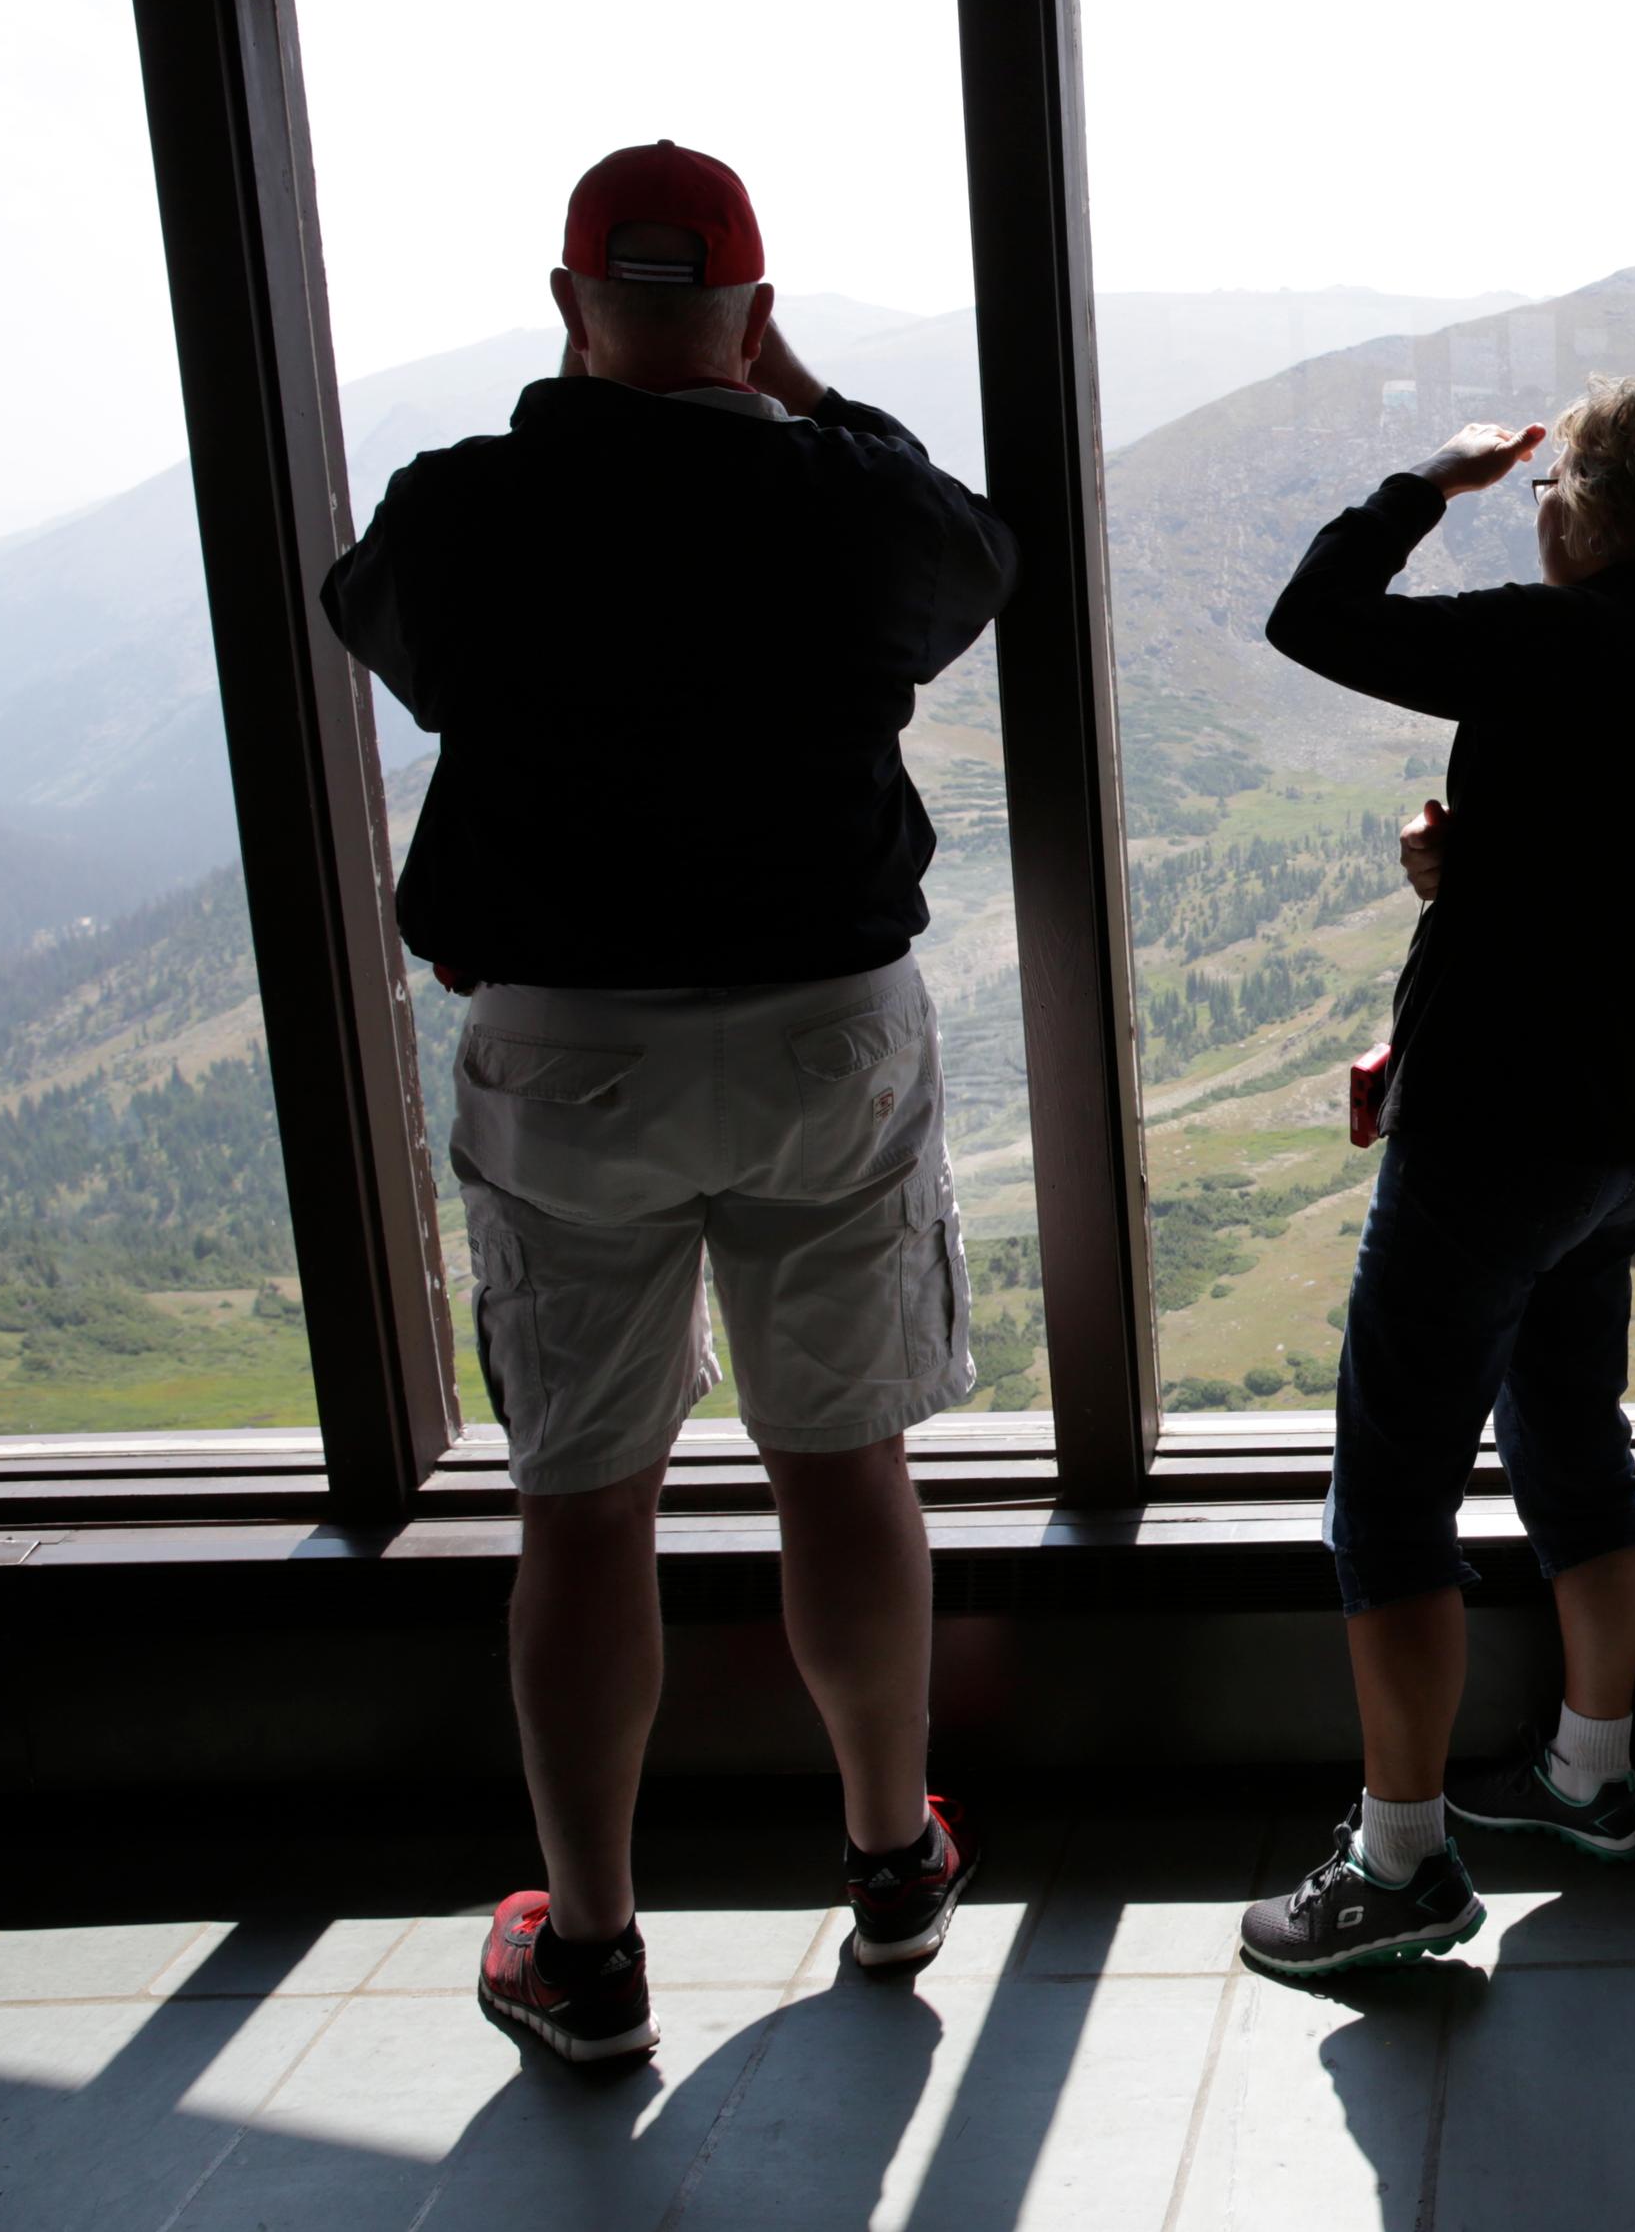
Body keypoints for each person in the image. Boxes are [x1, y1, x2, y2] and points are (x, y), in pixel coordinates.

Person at [320, 141, 1018, 2059]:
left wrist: (581, 423)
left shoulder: (472, 509)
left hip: (569, 1049)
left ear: (567, 303)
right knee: (844, 1461)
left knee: (583, 1508)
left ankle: (599, 1951)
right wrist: (793, 396)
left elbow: (376, 609)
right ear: (755, 311)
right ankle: (891, 1865)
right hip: (827, 1030)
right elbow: (974, 550)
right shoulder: (839, 499)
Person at [1236, 373, 1635, 1979]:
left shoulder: (1543, 643)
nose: (1536, 509)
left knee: (1391, 1494)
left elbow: (1310, 616)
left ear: (1590, 508)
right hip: (1621, 1137)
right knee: (1572, 1448)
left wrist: (1428, 482)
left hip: (1492, 1142)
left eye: (1553, 490)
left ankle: (1401, 1862)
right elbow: (1606, 879)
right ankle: (1590, 1777)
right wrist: (1468, 870)